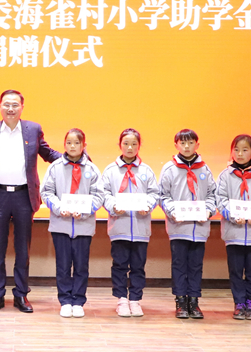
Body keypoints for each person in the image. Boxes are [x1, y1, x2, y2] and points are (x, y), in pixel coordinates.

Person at [0, 89, 61, 314]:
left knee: (23, 250)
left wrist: (75, 159)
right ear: (0, 106)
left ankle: (21, 294)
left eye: (15, 105)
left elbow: (48, 153)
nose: (10, 109)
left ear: (22, 107)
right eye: (6, 104)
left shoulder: (33, 129)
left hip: (24, 196)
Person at [41, 128, 104, 318]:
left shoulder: (92, 169)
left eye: (77, 143)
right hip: (60, 225)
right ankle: (65, 300)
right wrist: (59, 207)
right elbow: (46, 192)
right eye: (69, 142)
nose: (72, 146)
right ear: (64, 144)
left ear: (84, 145)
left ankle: (78, 300)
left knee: (81, 266)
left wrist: (84, 210)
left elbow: (99, 196)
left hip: (84, 226)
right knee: (62, 266)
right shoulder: (55, 167)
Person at [160, 128, 216, 319]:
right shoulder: (169, 169)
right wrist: (173, 212)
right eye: (182, 143)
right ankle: (180, 301)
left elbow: (212, 195)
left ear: (197, 145)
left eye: (191, 143)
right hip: (178, 227)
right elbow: (163, 196)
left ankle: (194, 300)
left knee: (196, 265)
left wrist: (208, 211)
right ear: (176, 145)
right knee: (179, 264)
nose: (186, 146)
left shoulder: (205, 169)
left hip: (199, 228)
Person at [102, 128, 159, 318]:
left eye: (134, 144)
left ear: (139, 146)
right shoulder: (111, 170)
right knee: (119, 265)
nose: (130, 147)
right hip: (119, 227)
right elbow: (104, 194)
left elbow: (154, 194)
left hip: (141, 228)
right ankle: (121, 300)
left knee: (138, 266)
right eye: (126, 143)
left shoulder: (146, 170)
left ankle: (135, 299)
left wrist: (148, 205)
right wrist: (113, 206)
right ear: (119, 145)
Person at [215, 134, 251, 320]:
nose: (240, 154)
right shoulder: (225, 176)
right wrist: (233, 215)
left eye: (245, 150)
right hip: (234, 234)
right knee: (235, 271)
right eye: (236, 150)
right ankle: (239, 302)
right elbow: (220, 200)